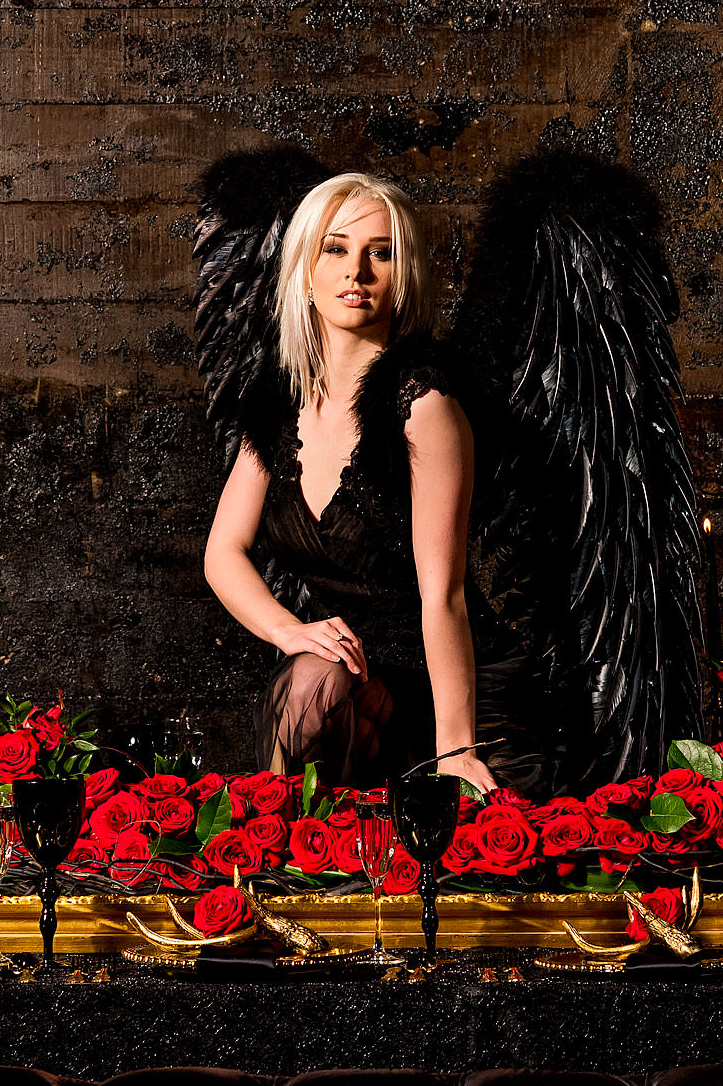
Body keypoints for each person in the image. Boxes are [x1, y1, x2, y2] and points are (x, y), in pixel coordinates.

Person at [198, 172, 503, 792]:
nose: (355, 273)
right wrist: (288, 629)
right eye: (334, 250)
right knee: (312, 676)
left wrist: (456, 750)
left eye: (379, 253)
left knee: (316, 681)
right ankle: (279, 863)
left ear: (403, 274)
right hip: (345, 677)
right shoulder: (280, 403)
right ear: (305, 274)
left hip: (434, 688)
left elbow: (443, 593)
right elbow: (222, 554)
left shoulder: (423, 404)